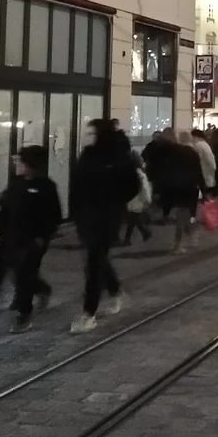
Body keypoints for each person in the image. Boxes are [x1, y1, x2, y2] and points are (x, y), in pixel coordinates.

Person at [70, 119, 138, 334]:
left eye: (91, 132)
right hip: (86, 217)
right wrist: (76, 212)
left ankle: (88, 313)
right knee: (97, 258)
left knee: (94, 262)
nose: (87, 135)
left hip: (107, 217)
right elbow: (77, 184)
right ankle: (116, 291)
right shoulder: (87, 155)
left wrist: (114, 202)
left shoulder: (118, 157)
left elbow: (132, 185)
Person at [0, 146, 61, 333]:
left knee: (25, 273)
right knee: (16, 271)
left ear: (32, 165)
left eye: (22, 162)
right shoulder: (16, 183)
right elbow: (6, 208)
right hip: (14, 236)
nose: (17, 164)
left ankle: (24, 314)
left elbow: (54, 214)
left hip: (34, 239)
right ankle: (41, 289)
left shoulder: (46, 186)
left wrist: (43, 235)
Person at [164, 132, 206, 252]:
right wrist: (203, 190)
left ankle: (188, 237)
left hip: (177, 188)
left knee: (183, 214)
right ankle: (179, 243)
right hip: (190, 188)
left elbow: (168, 170)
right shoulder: (193, 154)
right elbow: (199, 173)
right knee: (185, 215)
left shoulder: (173, 153)